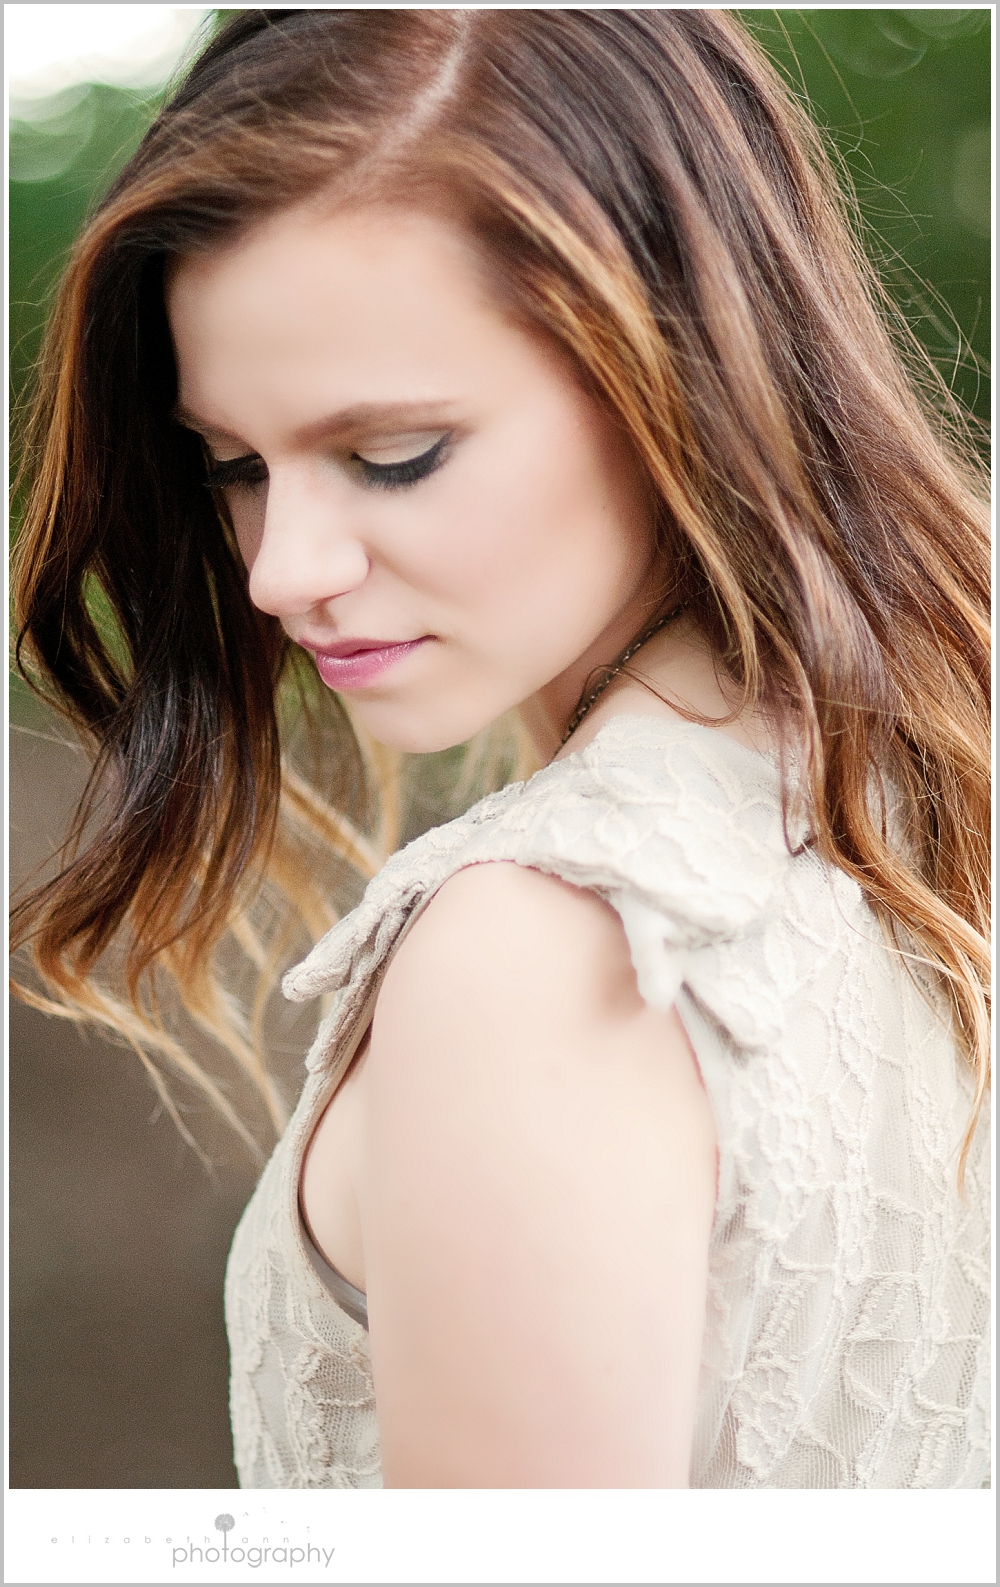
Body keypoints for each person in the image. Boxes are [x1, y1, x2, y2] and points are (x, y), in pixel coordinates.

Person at [11, 9, 989, 1490]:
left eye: (391, 455)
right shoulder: (925, 794)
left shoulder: (542, 945)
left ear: (676, 378)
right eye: (235, 465)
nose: (281, 571)